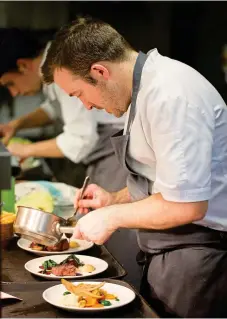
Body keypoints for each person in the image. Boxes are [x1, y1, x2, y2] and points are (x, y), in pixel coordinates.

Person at [42, 16, 227, 317]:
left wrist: (110, 218)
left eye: (79, 95)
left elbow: (187, 205)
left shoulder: (170, 94)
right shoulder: (140, 91)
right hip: (171, 253)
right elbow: (164, 181)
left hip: (199, 258)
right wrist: (113, 199)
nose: (86, 107)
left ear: (99, 71)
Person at [0, 28, 127, 190]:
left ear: (23, 65)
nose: (14, 93)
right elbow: (55, 109)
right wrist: (16, 125)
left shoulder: (61, 68)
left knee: (107, 212)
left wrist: (25, 150)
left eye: (10, 84)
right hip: (103, 148)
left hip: (116, 149)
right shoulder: (53, 60)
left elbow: (81, 139)